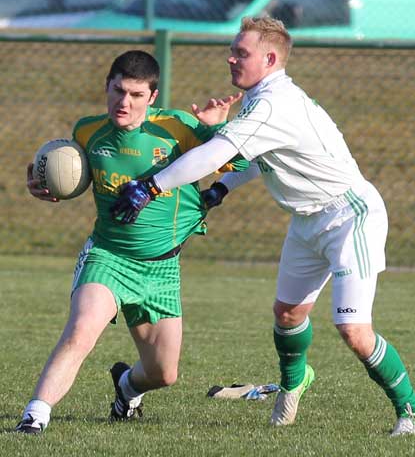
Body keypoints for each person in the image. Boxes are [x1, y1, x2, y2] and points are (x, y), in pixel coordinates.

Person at [110, 18, 415, 436]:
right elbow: (257, 158)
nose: (231, 57)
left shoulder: (274, 103)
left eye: (240, 52)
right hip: (307, 219)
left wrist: (151, 186)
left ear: (271, 58)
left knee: (353, 330)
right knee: (287, 314)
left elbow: (218, 151)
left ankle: (412, 415)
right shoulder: (261, 100)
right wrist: (221, 188)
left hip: (349, 215)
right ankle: (294, 384)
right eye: (232, 49)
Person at [16, 49, 244, 434]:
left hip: (162, 268)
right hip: (109, 256)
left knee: (164, 373)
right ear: (106, 86)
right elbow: (67, 173)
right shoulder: (87, 132)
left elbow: (240, 161)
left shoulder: (178, 127)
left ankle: (126, 388)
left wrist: (216, 131)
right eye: (118, 90)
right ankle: (35, 416)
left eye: (136, 95)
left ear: (152, 97)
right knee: (81, 330)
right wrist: (46, 183)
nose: (124, 102)